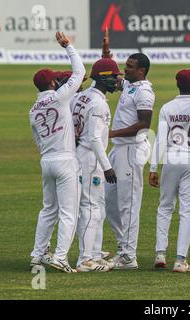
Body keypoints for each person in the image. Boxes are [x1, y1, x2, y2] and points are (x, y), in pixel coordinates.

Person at [29, 32, 85, 273]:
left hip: (47, 160)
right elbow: (80, 73)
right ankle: (60, 257)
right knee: (68, 213)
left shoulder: (32, 110)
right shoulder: (60, 97)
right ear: (53, 83)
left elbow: (37, 140)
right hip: (65, 160)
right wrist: (68, 47)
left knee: (48, 210)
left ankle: (37, 254)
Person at [149, 69, 190, 273]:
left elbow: (161, 139)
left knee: (165, 207)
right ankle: (181, 260)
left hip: (171, 160)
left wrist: (154, 167)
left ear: (177, 85)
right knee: (187, 211)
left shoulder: (167, 107)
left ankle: (160, 254)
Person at [71, 58, 122, 272]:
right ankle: (85, 260)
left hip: (81, 155)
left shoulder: (80, 96)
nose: (118, 81)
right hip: (91, 159)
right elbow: (93, 138)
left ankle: (94, 254)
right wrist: (107, 166)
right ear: (104, 78)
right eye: (114, 77)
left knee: (96, 208)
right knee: (90, 208)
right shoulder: (98, 103)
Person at [105, 53, 155, 270]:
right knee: (109, 202)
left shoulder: (144, 91)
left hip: (131, 150)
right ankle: (122, 247)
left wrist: (112, 133)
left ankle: (128, 256)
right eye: (126, 65)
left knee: (129, 204)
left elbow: (144, 124)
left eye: (130, 67)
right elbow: (112, 76)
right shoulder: (130, 85)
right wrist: (106, 54)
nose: (125, 69)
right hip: (118, 150)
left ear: (141, 71)